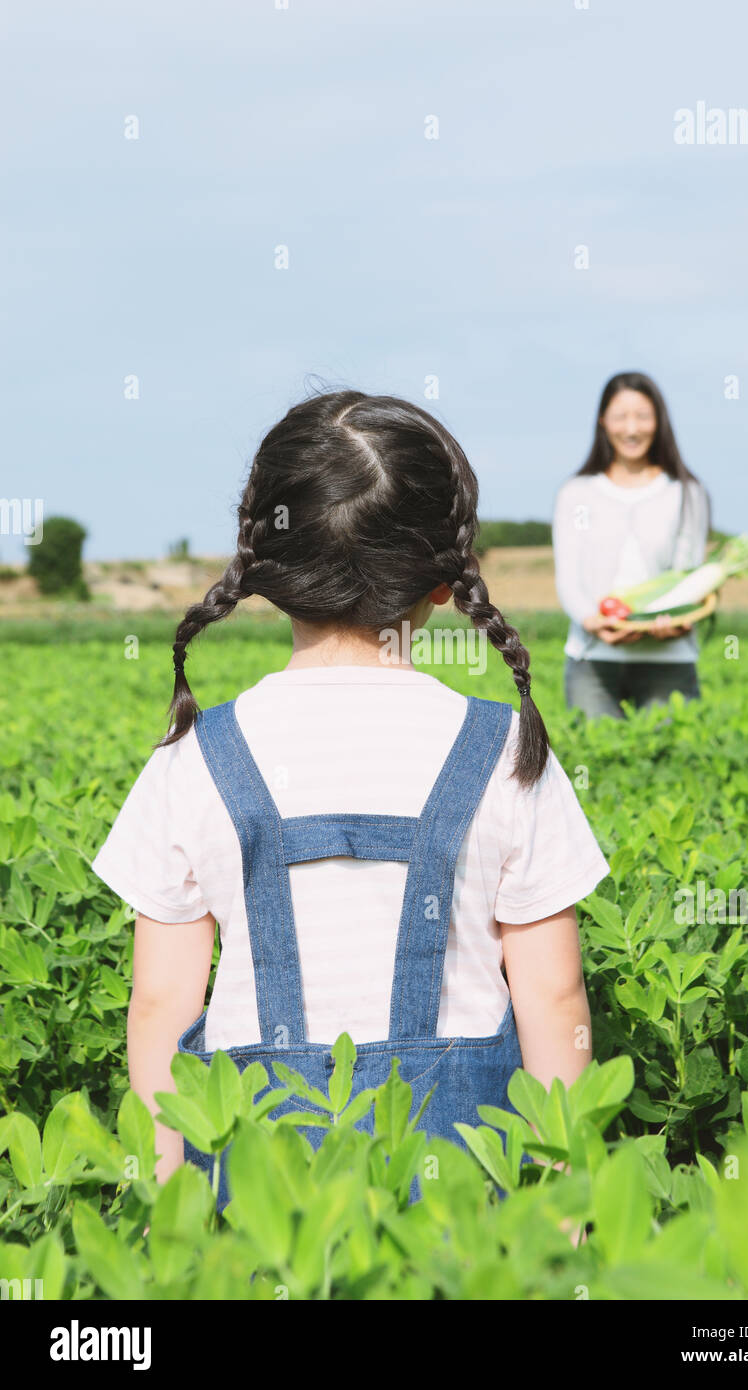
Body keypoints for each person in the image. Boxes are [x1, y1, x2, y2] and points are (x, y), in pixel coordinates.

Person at [90, 389, 609, 1211]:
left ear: (264, 570)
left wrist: (169, 1198)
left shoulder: (196, 758)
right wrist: (564, 1202)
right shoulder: (505, 749)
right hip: (466, 1202)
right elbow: (552, 998)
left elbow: (161, 1004)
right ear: (444, 580)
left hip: (251, 1195)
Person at [553, 371, 711, 720]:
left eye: (643, 416)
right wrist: (591, 620)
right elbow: (568, 579)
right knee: (596, 761)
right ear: (602, 421)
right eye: (621, 416)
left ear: (659, 421)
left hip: (669, 659)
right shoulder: (576, 493)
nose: (632, 429)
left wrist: (679, 619)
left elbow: (687, 575)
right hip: (592, 658)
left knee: (672, 764)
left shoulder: (686, 492)